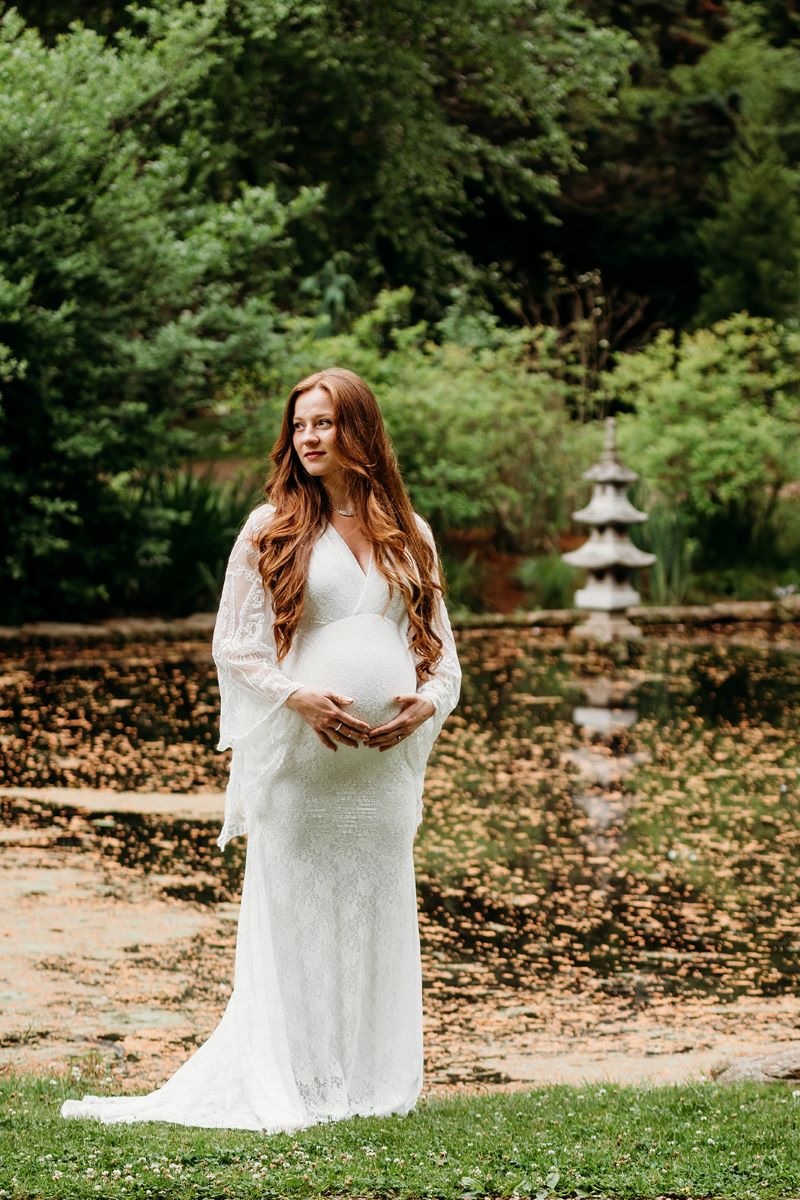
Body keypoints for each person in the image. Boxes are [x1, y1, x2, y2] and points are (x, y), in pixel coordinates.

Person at [61, 366, 462, 1132]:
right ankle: (298, 1079)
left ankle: (365, 1081)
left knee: (374, 915)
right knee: (298, 919)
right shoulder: (270, 526)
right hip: (302, 767)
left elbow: (443, 657)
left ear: (361, 430)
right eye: (301, 425)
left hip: (376, 773)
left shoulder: (412, 533)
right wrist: (296, 695)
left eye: (325, 423)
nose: (310, 437)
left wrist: (425, 705)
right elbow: (234, 646)